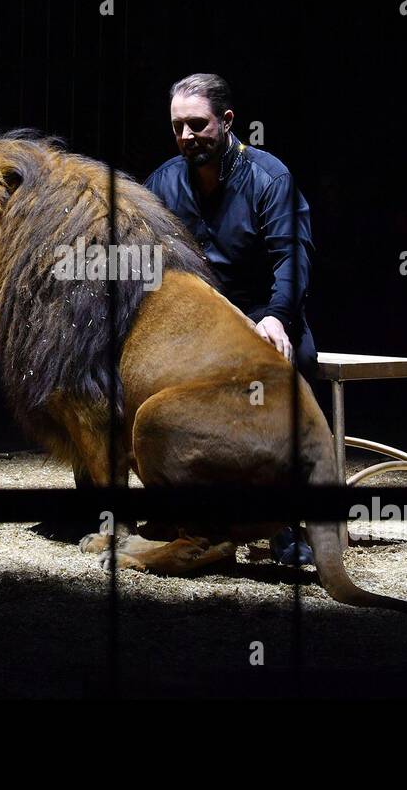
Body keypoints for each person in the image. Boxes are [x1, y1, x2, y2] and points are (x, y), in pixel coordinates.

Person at [143, 73, 317, 566]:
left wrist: (279, 318)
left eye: (197, 124)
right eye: (177, 127)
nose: (186, 137)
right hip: (198, 316)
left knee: (295, 361)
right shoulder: (162, 181)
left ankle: (288, 522)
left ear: (227, 120)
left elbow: (292, 261)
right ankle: (179, 511)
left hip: (261, 310)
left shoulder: (270, 177)